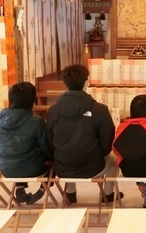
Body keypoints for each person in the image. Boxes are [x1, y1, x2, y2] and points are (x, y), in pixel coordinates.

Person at [46, 64, 122, 204]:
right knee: (114, 159)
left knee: (68, 149)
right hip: (93, 167)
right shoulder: (100, 110)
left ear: (65, 82)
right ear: (86, 82)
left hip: (63, 168)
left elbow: (51, 141)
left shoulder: (53, 110)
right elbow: (107, 145)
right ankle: (108, 195)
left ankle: (71, 194)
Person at [0, 82, 53, 205]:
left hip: (6, 168)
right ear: (31, 101)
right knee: (57, 160)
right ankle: (42, 189)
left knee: (17, 153)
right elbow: (46, 148)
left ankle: (19, 188)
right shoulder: (37, 121)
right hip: (32, 168)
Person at [112, 94, 146, 208]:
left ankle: (141, 185)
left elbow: (114, 148)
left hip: (127, 169)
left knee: (133, 159)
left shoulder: (121, 126)